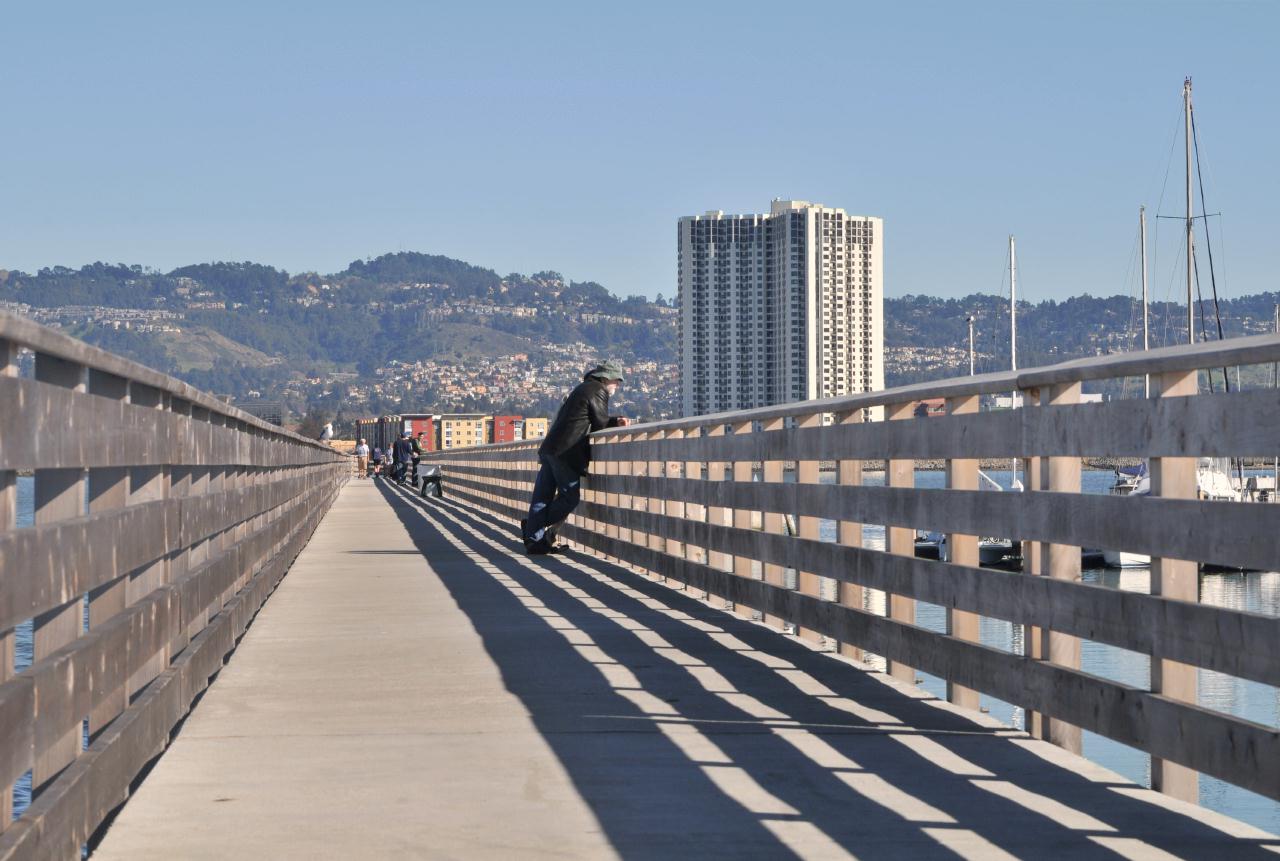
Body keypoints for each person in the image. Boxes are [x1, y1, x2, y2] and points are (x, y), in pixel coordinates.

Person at [521, 360, 630, 554]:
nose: (618, 385)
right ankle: (532, 528)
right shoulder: (598, 390)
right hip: (566, 451)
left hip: (550, 448)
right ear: (606, 378)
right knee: (570, 497)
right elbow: (600, 423)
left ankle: (534, 541)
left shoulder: (583, 388)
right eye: (617, 380)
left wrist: (613, 420)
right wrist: (617, 421)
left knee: (542, 497)